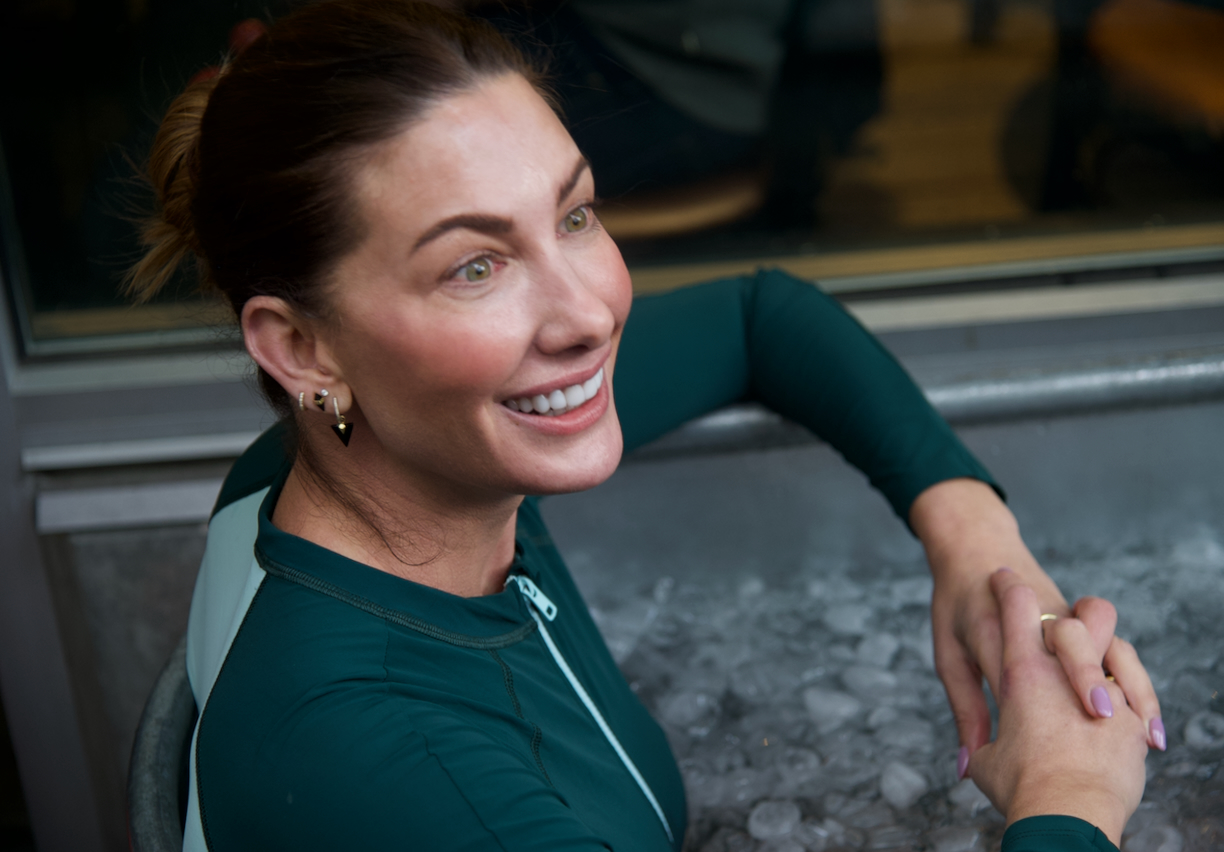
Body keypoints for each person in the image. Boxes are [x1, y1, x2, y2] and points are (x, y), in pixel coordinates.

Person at [127, 2, 1160, 849]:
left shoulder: (331, 471)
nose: (587, 313)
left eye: (574, 215)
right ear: (303, 349)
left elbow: (762, 317)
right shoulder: (397, 772)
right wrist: (1067, 798)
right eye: (472, 266)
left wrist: (976, 548)